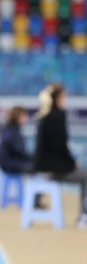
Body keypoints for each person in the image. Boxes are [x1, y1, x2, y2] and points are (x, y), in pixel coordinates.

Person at [34, 83, 87, 228]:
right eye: (65, 96)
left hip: (43, 167)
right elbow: (59, 147)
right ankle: (84, 216)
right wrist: (73, 163)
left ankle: (36, 201)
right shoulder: (57, 116)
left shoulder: (44, 115)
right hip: (53, 169)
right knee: (86, 176)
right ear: (59, 97)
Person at [0, 106, 33, 176]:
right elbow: (19, 150)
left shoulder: (11, 130)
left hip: (10, 164)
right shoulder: (12, 132)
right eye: (24, 116)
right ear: (18, 117)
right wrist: (32, 159)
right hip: (11, 165)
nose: (26, 119)